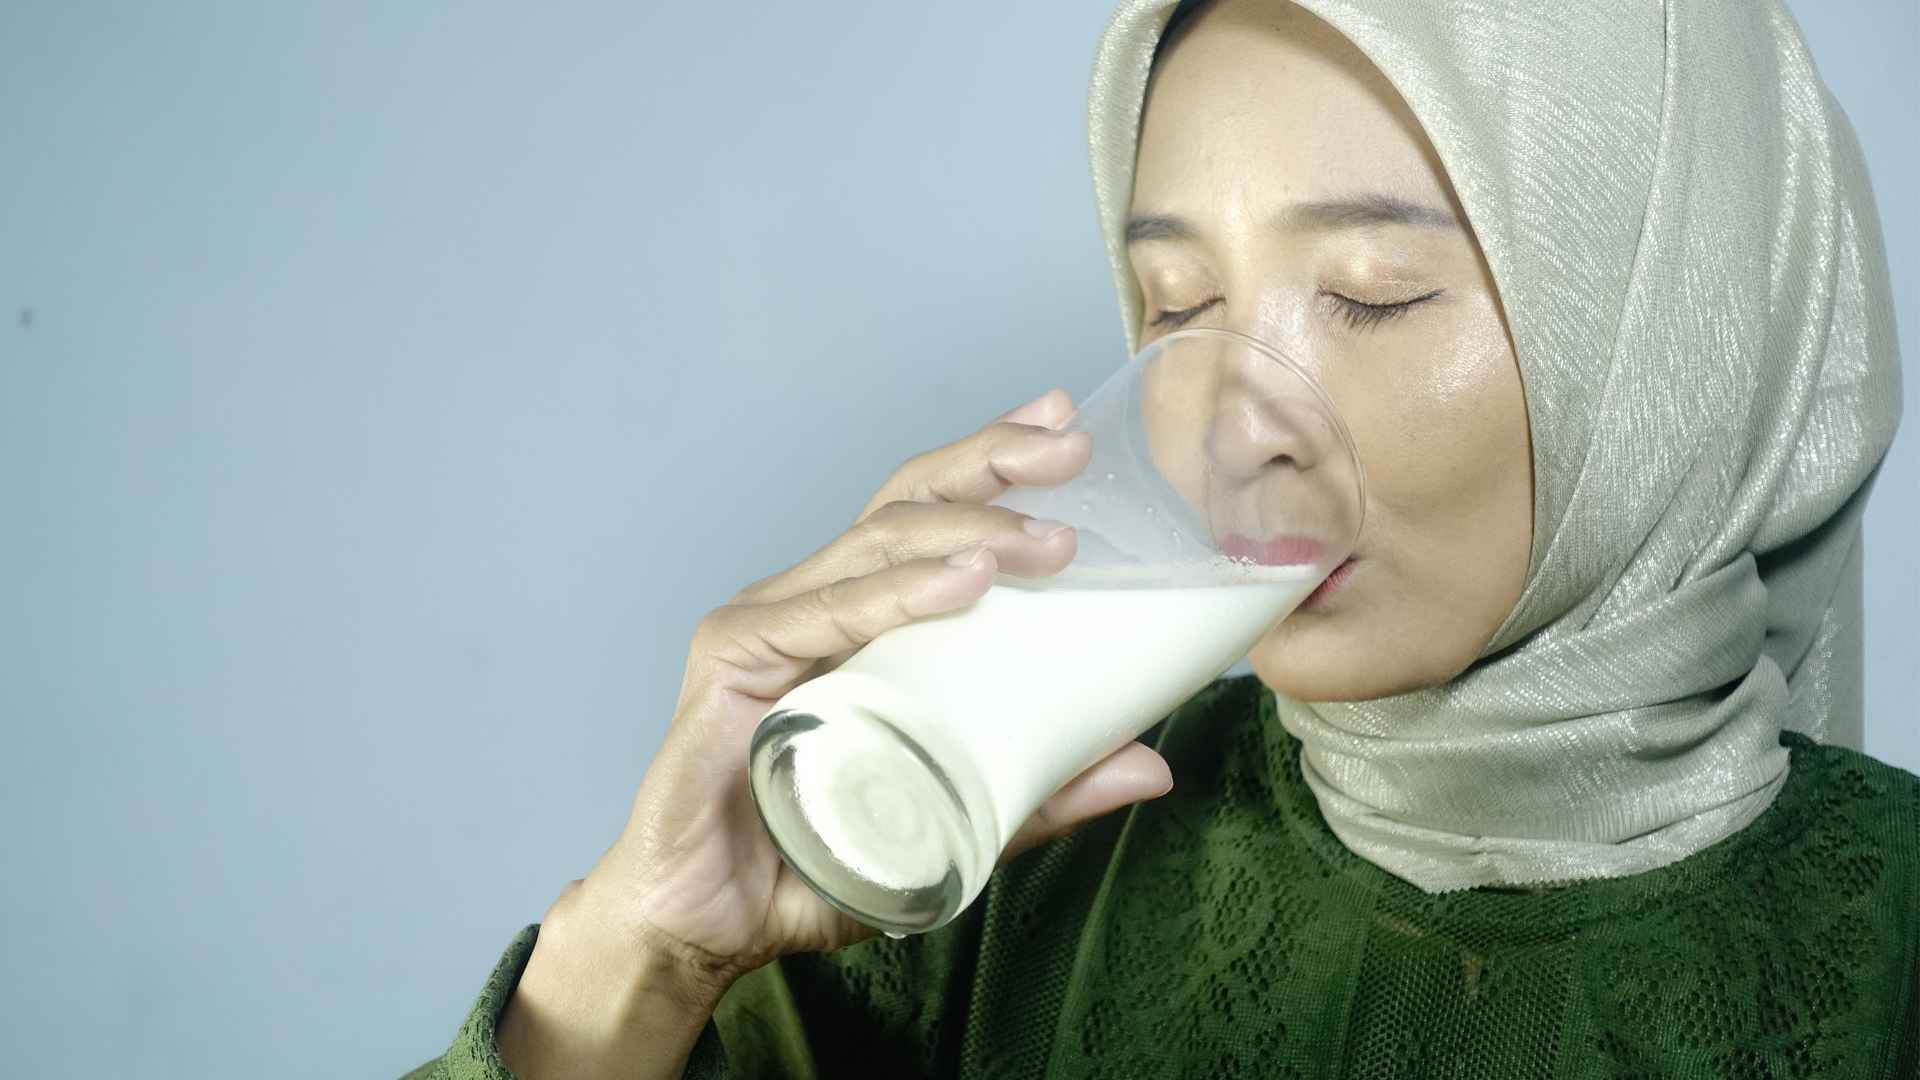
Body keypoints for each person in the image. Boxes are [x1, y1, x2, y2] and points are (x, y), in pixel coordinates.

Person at [407, 0, 1916, 1076]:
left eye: (1374, 292)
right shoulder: (980, 871)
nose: (1229, 427)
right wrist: (647, 952)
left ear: (1669, 340)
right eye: (1178, 311)